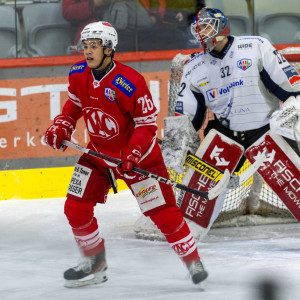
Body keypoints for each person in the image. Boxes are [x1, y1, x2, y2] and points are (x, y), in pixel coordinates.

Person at [45, 21, 208, 288]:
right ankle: (95, 261)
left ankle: (193, 262)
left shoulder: (129, 82)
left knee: (163, 213)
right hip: (98, 154)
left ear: (109, 49)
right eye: (85, 46)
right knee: (75, 208)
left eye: (94, 46)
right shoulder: (77, 74)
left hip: (139, 157)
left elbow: (146, 126)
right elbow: (74, 105)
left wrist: (132, 152)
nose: (87, 51)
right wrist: (63, 123)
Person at [174, 7, 300, 172]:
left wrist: (291, 116)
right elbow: (186, 116)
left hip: (266, 130)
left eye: (207, 26)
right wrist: (177, 146)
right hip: (225, 135)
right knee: (204, 189)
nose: (203, 32)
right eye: (199, 29)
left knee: (293, 182)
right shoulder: (193, 67)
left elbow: (291, 88)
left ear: (221, 25)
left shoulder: (256, 46)